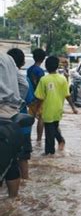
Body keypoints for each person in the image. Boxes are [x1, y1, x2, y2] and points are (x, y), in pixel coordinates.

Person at [35, 56, 78, 155]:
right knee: (54, 127)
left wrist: (37, 110)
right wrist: (73, 108)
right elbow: (67, 95)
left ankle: (49, 154)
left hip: (47, 110)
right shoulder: (62, 79)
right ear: (57, 66)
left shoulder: (44, 80)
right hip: (58, 110)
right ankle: (61, 140)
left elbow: (39, 98)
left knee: (49, 134)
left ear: (46, 66)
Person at [7, 48, 35, 180]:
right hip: (22, 128)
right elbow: (31, 102)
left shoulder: (4, 80)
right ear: (23, 63)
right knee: (23, 158)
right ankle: (24, 183)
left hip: (6, 126)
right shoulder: (25, 80)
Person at [0, 52, 24, 198]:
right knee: (11, 162)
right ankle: (13, 202)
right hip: (12, 116)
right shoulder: (8, 58)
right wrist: (15, 104)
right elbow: (23, 83)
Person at [27, 48, 46, 141]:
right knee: (41, 118)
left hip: (30, 97)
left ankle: (28, 137)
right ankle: (39, 139)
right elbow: (41, 86)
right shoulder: (41, 71)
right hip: (39, 97)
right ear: (43, 59)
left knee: (30, 118)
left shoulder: (29, 69)